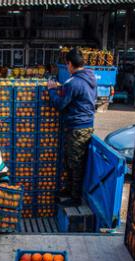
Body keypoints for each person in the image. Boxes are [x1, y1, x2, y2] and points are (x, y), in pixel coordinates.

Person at [47, 48, 97, 206]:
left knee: (75, 163)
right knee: (71, 160)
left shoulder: (74, 82)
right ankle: (69, 189)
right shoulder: (89, 76)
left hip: (77, 126)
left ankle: (75, 198)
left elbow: (60, 105)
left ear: (69, 64)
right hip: (86, 124)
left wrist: (52, 91)